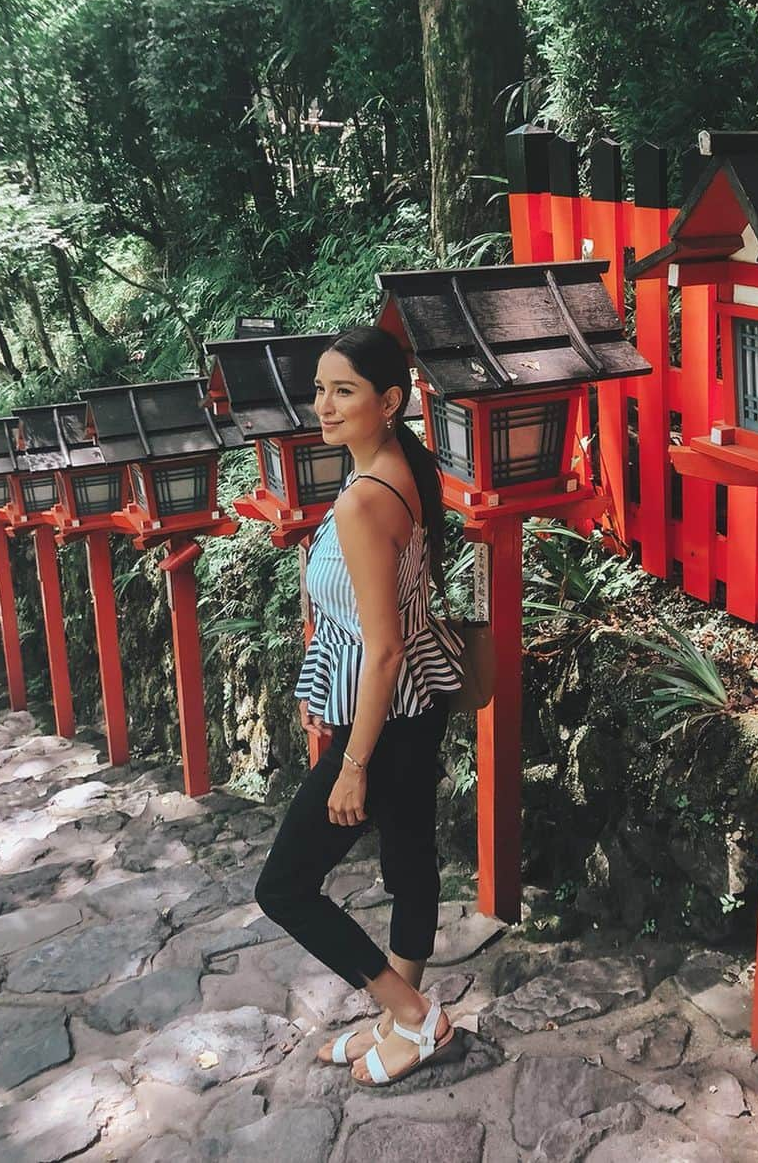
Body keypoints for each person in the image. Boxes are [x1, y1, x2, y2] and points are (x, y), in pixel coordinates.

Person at [255, 326, 464, 1088]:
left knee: (283, 887)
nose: (322, 405)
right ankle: (397, 1018)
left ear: (389, 402)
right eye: (319, 388)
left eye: (342, 391)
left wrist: (352, 764)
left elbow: (381, 649)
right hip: (415, 703)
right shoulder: (403, 467)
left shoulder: (362, 502)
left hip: (384, 717)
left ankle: (413, 1012)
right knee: (410, 859)